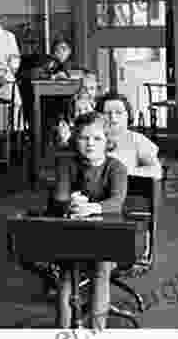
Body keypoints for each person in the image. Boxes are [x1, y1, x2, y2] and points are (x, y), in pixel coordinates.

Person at [52, 112, 128, 330]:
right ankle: (64, 331)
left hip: (106, 234)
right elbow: (60, 197)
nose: (90, 144)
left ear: (107, 141)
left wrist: (92, 207)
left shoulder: (116, 168)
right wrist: (71, 203)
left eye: (97, 139)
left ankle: (97, 330)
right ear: (76, 140)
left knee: (101, 268)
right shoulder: (66, 163)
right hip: (73, 233)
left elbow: (117, 201)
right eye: (84, 138)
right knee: (67, 273)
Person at [96, 92, 163, 180]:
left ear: (128, 115)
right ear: (98, 116)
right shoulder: (90, 138)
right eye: (107, 113)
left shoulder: (137, 140)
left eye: (119, 112)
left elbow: (156, 171)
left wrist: (121, 172)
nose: (113, 117)